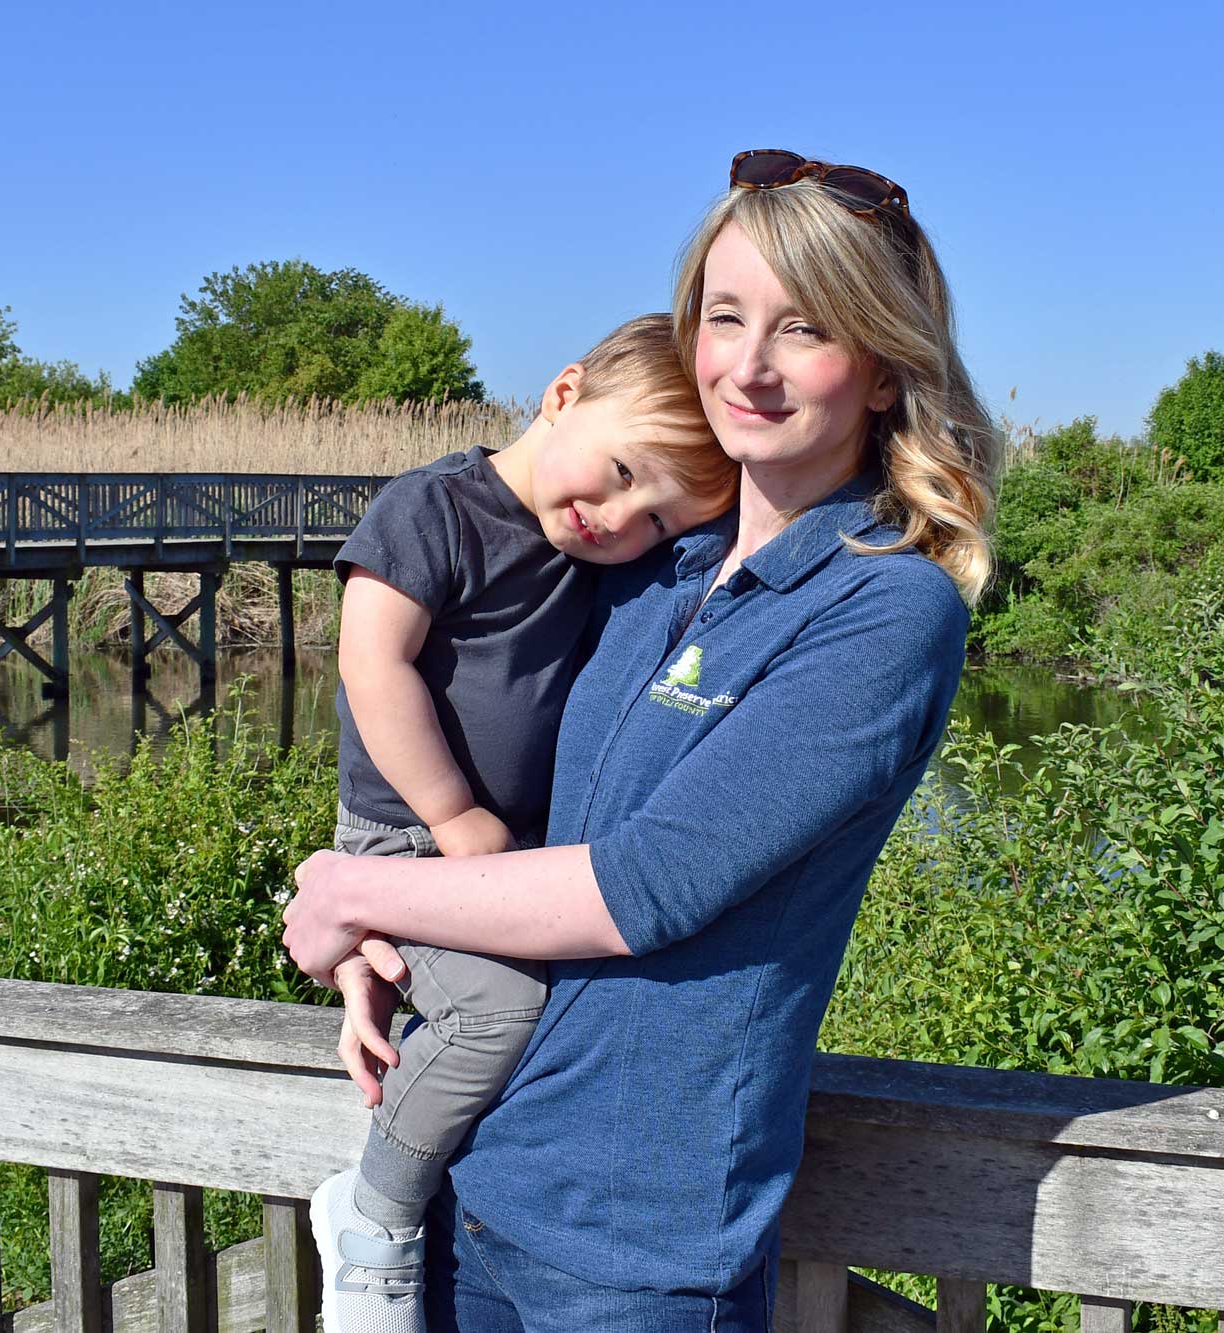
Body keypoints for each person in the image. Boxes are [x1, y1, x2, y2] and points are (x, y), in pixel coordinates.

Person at [285, 149, 1000, 1331]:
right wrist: (377, 910)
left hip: (637, 1245)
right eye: (724, 318)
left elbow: (646, 886)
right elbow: (434, 690)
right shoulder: (641, 566)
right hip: (474, 1183)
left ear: (881, 371)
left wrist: (349, 889)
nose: (748, 367)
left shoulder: (882, 608)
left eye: (804, 329)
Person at [313, 313, 738, 1333]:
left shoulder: (587, 553)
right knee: (496, 1011)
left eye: (652, 520)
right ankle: (371, 1219)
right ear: (561, 394)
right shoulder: (433, 508)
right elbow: (370, 661)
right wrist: (451, 814)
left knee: (541, 1005)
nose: (616, 518)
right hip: (405, 836)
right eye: (621, 471)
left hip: (496, 855)